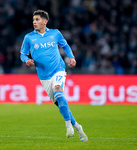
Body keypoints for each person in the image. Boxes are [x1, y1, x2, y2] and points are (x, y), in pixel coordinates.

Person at [20, 10, 88, 142]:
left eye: (37, 19)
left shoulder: (55, 33)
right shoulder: (29, 37)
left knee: (58, 91)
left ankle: (68, 126)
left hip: (58, 69)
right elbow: (23, 54)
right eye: (33, 19)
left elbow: (65, 45)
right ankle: (77, 126)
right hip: (44, 76)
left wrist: (72, 57)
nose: (34, 22)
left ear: (45, 21)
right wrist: (26, 60)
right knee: (60, 103)